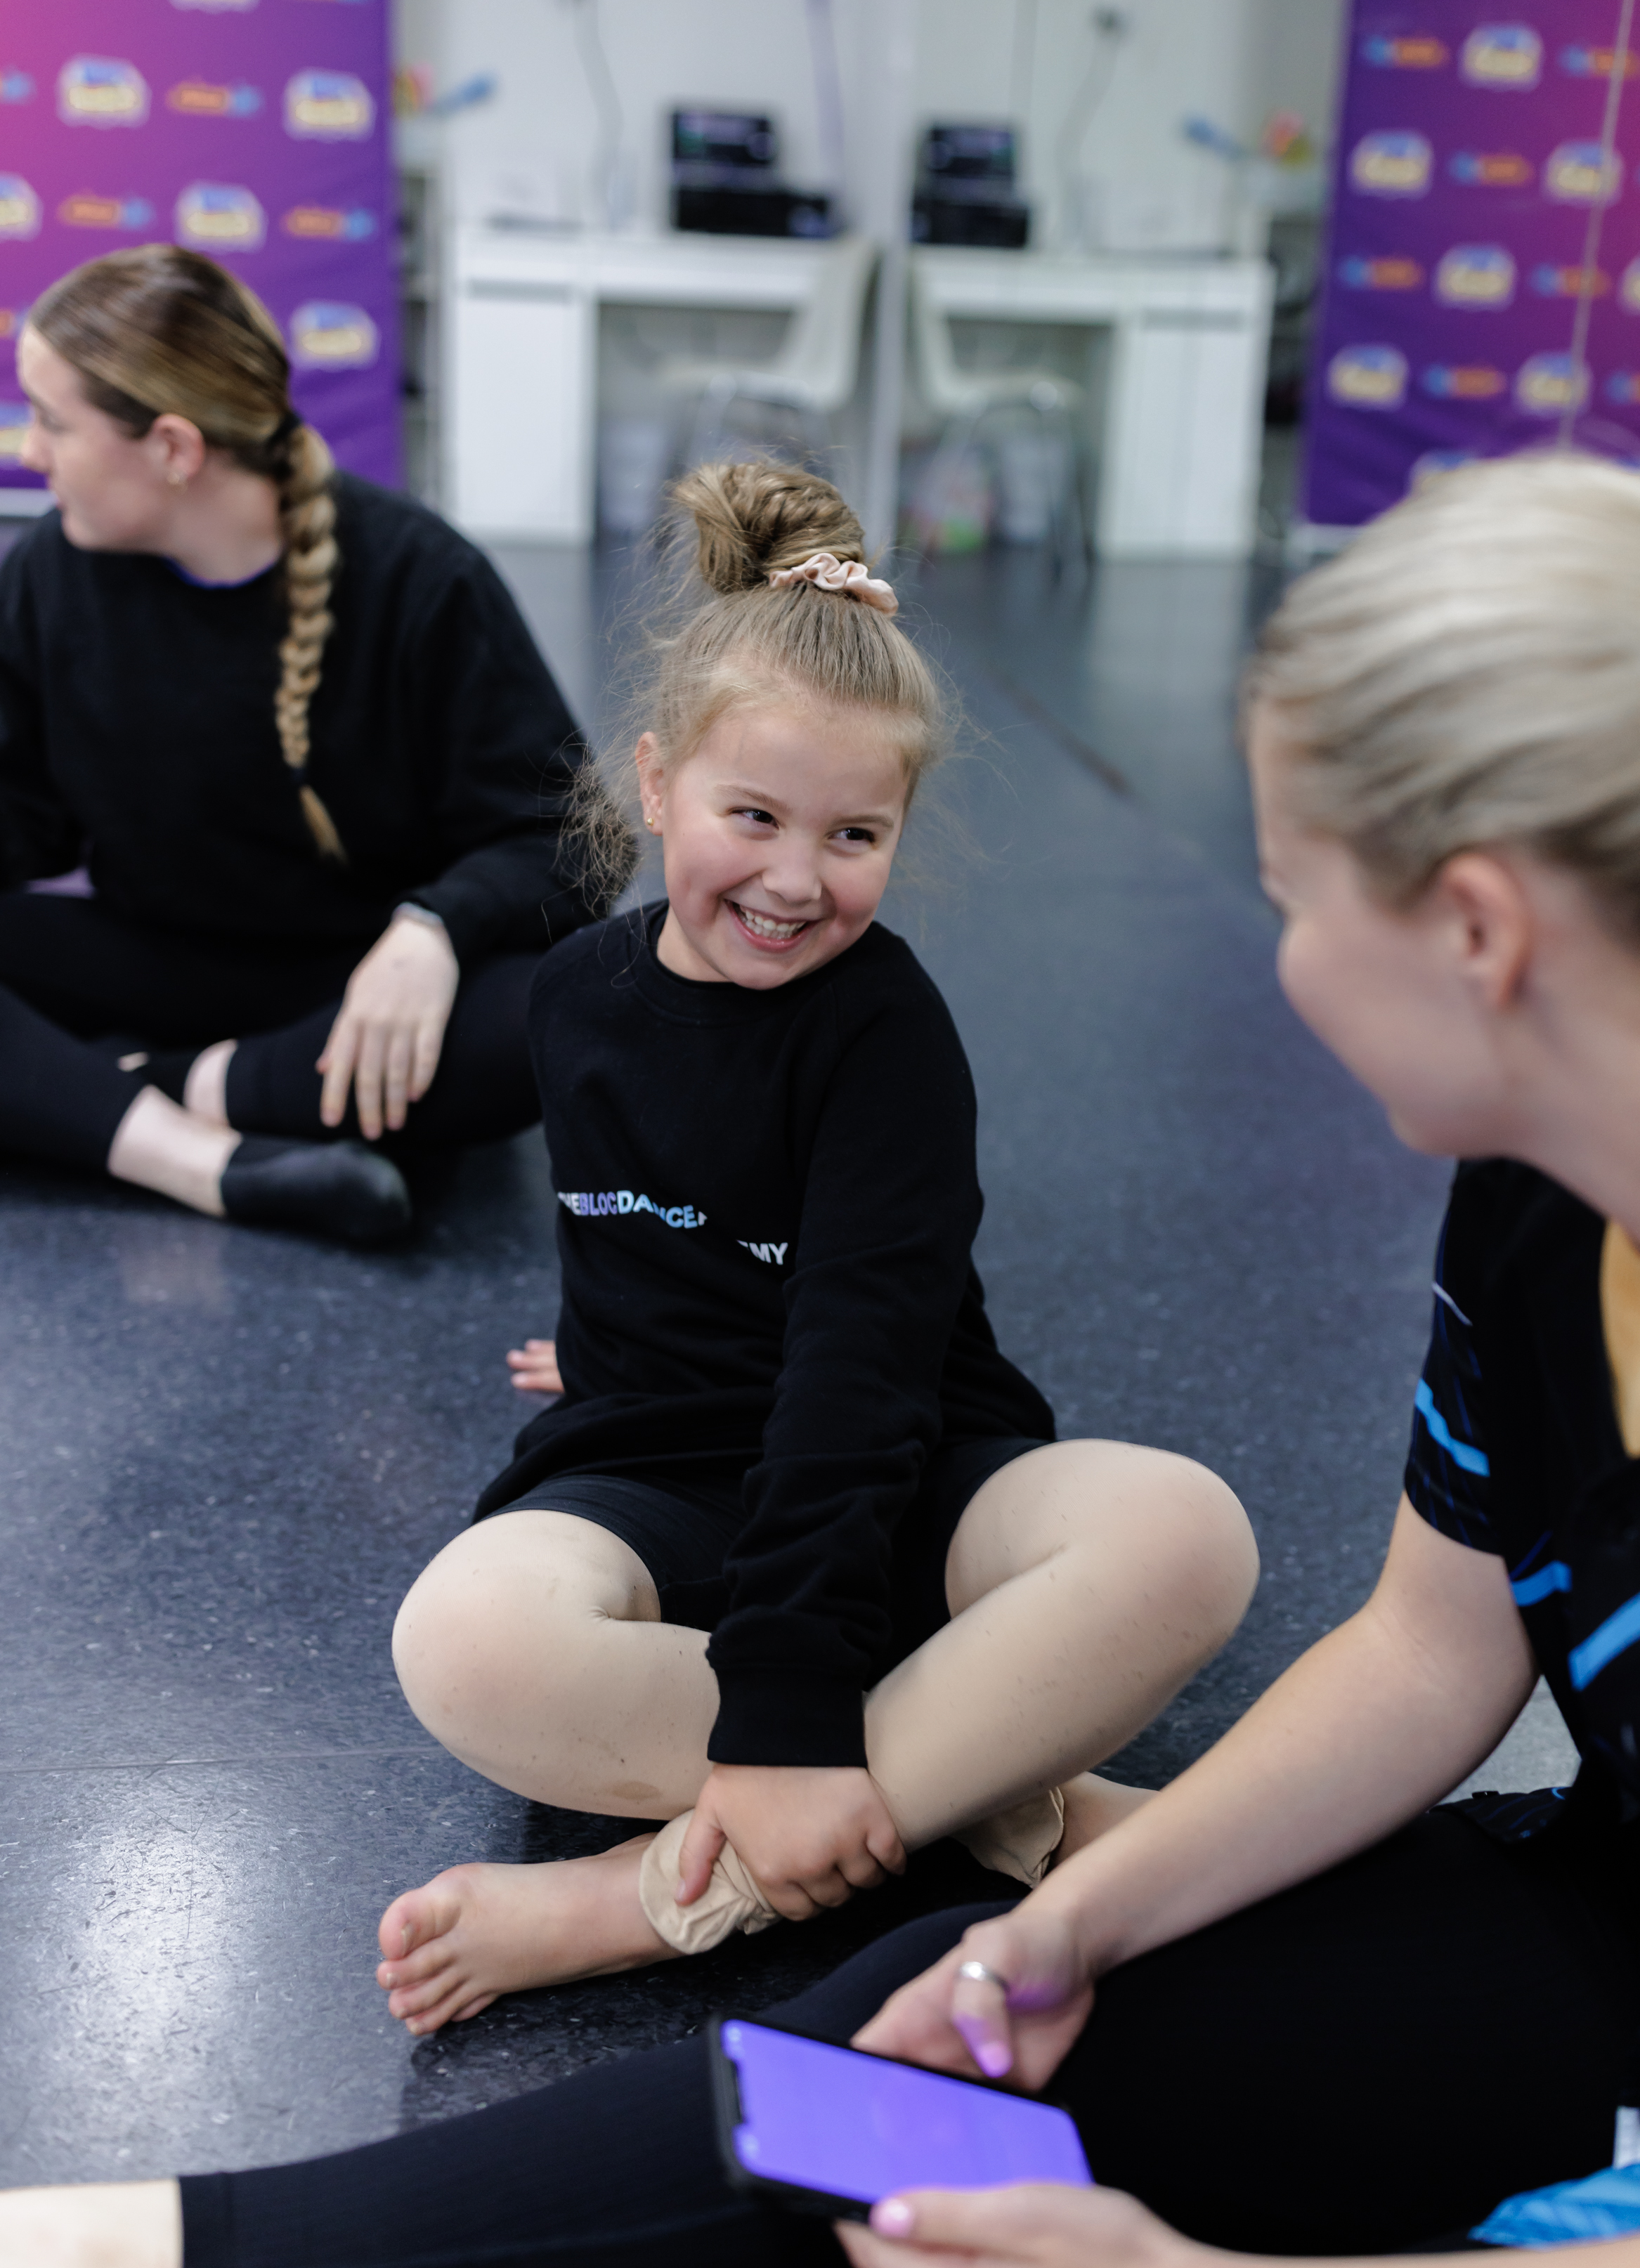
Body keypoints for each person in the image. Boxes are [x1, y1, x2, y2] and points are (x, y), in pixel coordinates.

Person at [25, 447, 1640, 2268]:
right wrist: (1070, 1920)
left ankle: (699, 1882)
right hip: (1555, 1923)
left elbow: (862, 1364)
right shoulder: (1530, 1203)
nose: (1265, 961)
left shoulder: (886, 1038)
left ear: (1477, 930)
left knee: (1158, 1556)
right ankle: (130, 2245)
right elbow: (1435, 1651)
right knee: (896, 2061)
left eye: (1284, 896)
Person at [370, 456, 1259, 2025]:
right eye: (753, 815)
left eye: (855, 834)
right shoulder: (577, 993)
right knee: (462, 1639)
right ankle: (1000, 1805)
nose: (794, 878)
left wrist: (782, 1719)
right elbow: (649, 1214)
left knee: (1186, 1531)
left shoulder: (887, 1033)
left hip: (901, 1466)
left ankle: (654, 1897)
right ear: (655, 787)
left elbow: (862, 1361)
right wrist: (609, 1344)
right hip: (665, 1467)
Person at [0, 245, 604, 1246]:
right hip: (159, 961)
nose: (30, 451)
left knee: (566, 1013)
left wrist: (433, 927)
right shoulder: (51, 576)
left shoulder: (420, 577)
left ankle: (130, 1095)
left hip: (364, 987)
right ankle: (212, 1160)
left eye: (54, 423)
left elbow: (578, 846)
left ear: (174, 449)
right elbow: (26, 820)